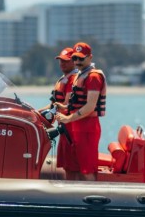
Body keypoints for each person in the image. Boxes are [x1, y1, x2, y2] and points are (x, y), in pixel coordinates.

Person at [55, 42, 106, 181]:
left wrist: (68, 118)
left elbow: (90, 106)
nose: (77, 61)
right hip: (78, 127)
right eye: (75, 58)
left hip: (88, 127)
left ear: (90, 57)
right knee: (76, 167)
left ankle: (92, 193)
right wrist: (64, 108)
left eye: (81, 58)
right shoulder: (81, 75)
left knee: (87, 169)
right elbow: (76, 103)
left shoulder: (93, 77)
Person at [37, 47, 79, 178]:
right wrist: (34, 112)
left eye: (66, 61)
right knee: (66, 165)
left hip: (71, 130)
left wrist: (50, 112)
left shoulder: (73, 79)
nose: (62, 63)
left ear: (74, 62)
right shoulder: (63, 79)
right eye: (61, 60)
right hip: (63, 128)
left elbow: (65, 106)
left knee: (72, 165)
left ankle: (74, 187)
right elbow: (53, 105)